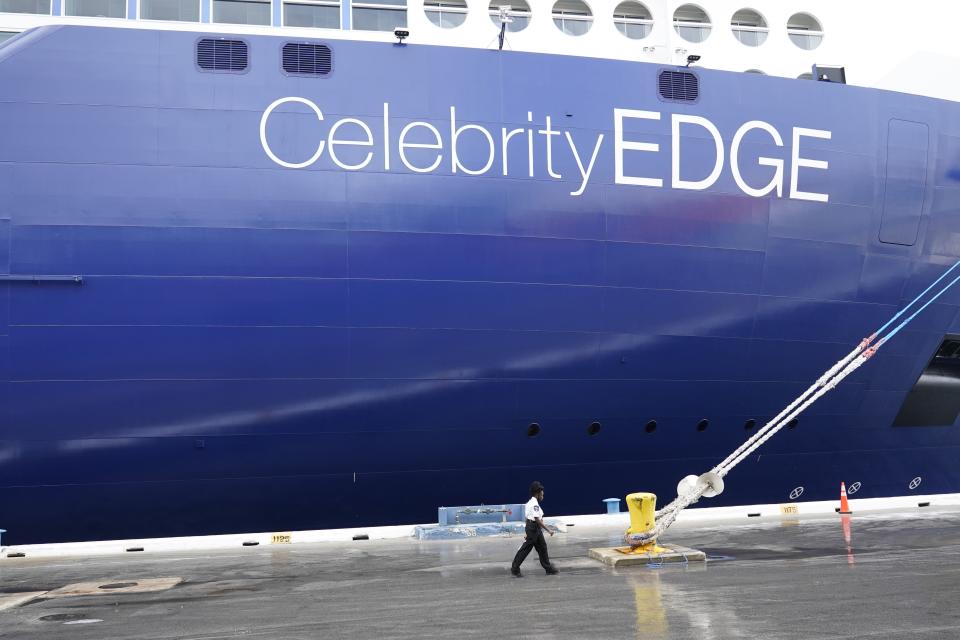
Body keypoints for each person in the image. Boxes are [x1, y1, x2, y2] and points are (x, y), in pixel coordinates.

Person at [510, 481, 559, 577]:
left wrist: (527, 530)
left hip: (533, 528)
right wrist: (548, 530)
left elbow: (527, 518)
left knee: (542, 547)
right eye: (542, 491)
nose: (543, 494)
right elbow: (537, 519)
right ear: (538, 493)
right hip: (533, 528)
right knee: (526, 548)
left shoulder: (531, 502)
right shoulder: (534, 504)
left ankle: (548, 568)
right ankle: (515, 569)